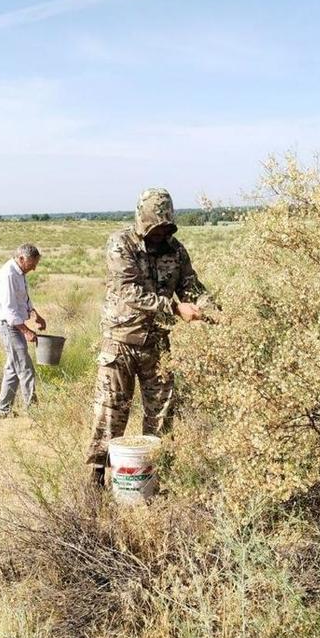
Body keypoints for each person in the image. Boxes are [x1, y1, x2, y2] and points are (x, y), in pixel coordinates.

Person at [85, 187, 212, 486]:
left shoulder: (176, 250)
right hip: (121, 342)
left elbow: (191, 286)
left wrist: (212, 309)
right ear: (143, 220)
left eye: (166, 227)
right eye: (155, 227)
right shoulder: (121, 244)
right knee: (110, 412)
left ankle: (156, 478)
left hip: (157, 345)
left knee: (162, 414)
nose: (161, 234)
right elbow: (128, 291)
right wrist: (175, 308)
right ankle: (97, 477)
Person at [0, 243, 46, 418]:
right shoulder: (8, 274)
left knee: (13, 369)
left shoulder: (19, 272)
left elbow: (22, 298)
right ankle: (34, 412)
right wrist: (26, 331)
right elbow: (9, 311)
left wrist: (34, 313)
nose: (34, 268)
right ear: (22, 258)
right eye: (32, 264)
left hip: (14, 325)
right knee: (25, 369)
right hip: (9, 327)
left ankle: (3, 410)